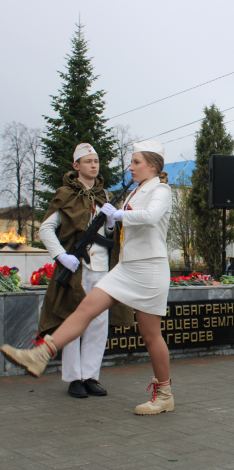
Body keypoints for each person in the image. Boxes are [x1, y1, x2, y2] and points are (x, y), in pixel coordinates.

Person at [1, 140, 173, 416]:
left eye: (135, 162)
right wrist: (111, 219)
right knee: (85, 309)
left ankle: (164, 393)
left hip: (150, 268)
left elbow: (151, 217)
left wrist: (115, 215)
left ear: (151, 165)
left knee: (151, 334)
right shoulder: (136, 190)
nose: (130, 167)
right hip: (126, 267)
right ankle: (40, 354)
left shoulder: (161, 190)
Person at [37, 143, 133, 399]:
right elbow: (45, 229)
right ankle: (73, 378)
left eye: (96, 161)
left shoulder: (105, 195)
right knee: (72, 320)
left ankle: (91, 375)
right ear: (76, 166)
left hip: (102, 269)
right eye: (88, 161)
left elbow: (110, 237)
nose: (94, 165)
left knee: (99, 323)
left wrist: (112, 223)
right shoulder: (65, 194)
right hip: (77, 268)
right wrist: (61, 256)